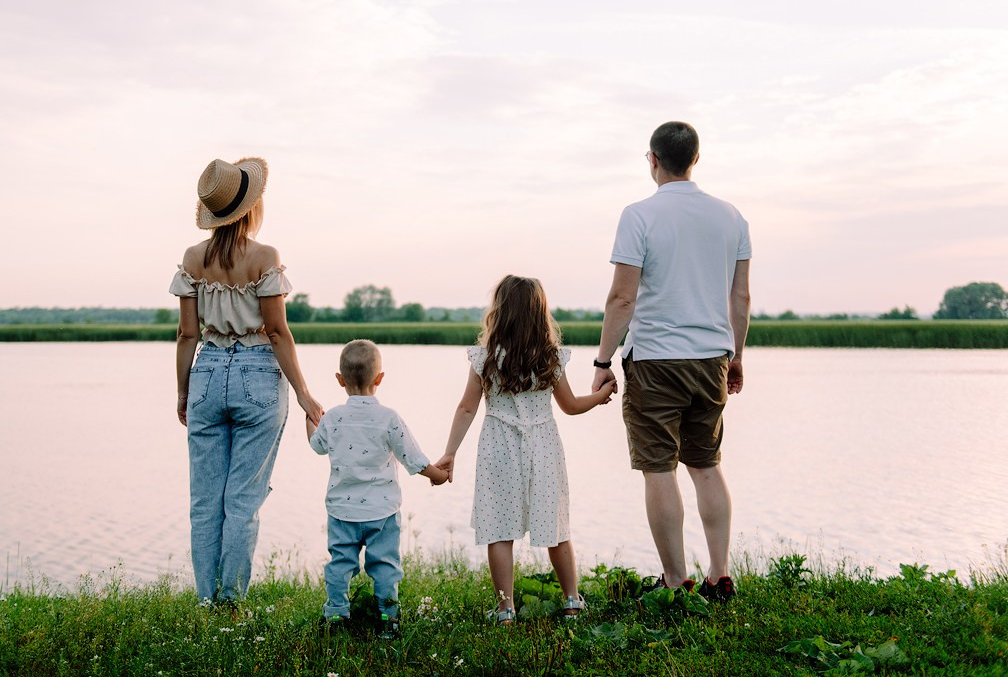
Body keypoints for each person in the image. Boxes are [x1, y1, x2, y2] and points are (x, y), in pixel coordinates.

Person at [592, 121, 751, 602]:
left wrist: (603, 361)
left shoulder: (639, 215)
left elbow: (623, 297)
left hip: (656, 360)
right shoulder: (731, 217)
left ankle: (675, 581)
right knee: (705, 464)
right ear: (695, 160)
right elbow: (739, 296)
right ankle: (720, 576)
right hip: (711, 359)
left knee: (659, 469)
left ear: (652, 159)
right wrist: (736, 356)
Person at [170, 157, 323, 605]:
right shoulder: (264, 258)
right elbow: (277, 332)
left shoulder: (192, 259)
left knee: (205, 501)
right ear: (250, 208)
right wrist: (305, 395)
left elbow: (186, 334)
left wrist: (183, 391)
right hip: (258, 375)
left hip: (206, 372)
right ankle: (230, 601)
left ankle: (205, 599)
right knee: (242, 500)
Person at [436, 275, 614, 624]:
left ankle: (505, 610)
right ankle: (572, 601)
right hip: (543, 446)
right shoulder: (549, 357)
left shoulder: (486, 357)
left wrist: (450, 451)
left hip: (498, 446)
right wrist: (602, 395)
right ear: (540, 314)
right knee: (555, 526)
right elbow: (572, 406)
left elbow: (466, 408)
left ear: (499, 312)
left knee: (500, 530)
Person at [307, 339, 449, 637]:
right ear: (380, 379)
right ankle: (388, 618)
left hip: (342, 511)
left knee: (340, 563)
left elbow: (317, 445)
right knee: (384, 564)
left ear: (339, 380)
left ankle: (336, 614)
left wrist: (311, 419)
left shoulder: (332, 417)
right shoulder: (388, 418)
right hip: (381, 512)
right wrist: (436, 474)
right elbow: (413, 456)